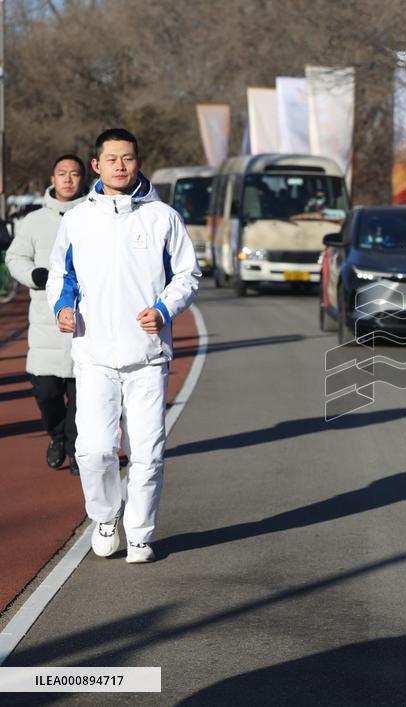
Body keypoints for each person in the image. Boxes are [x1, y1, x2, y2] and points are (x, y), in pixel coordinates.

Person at [47, 128, 200, 564]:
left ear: (137, 162)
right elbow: (62, 273)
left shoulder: (163, 218)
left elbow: (187, 275)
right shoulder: (78, 219)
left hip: (147, 356)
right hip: (93, 354)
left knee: (148, 453)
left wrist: (165, 309)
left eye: (127, 158)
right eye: (111, 158)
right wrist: (62, 306)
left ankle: (140, 533)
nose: (119, 165)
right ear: (96, 165)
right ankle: (105, 515)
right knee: (92, 450)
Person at [5, 155, 88, 474]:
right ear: (52, 178)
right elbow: (15, 258)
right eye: (62, 173)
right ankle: (56, 436)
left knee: (81, 397)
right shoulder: (34, 220)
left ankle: (76, 447)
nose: (68, 179)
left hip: (84, 323)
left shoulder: (93, 215)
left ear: (85, 178)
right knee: (47, 393)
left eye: (75, 174)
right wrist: (36, 276)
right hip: (45, 323)